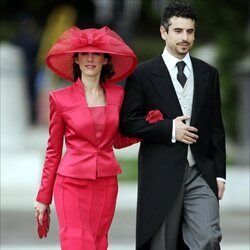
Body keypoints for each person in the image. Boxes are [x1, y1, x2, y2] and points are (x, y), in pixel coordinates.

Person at [120, 2, 226, 250]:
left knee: (208, 239)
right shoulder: (143, 74)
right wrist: (169, 129)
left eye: (190, 31)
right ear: (163, 32)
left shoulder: (208, 74)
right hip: (162, 172)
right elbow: (128, 122)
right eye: (178, 31)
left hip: (201, 171)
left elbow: (216, 128)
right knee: (162, 244)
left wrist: (220, 173)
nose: (185, 37)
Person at [34, 26, 139, 250]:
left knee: (98, 243)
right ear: (76, 59)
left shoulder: (118, 95)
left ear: (105, 59)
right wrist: (43, 197)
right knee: (76, 243)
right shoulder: (59, 99)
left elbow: (118, 140)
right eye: (84, 53)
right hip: (71, 184)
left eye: (96, 53)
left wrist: (148, 127)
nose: (90, 58)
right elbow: (53, 151)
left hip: (106, 183)